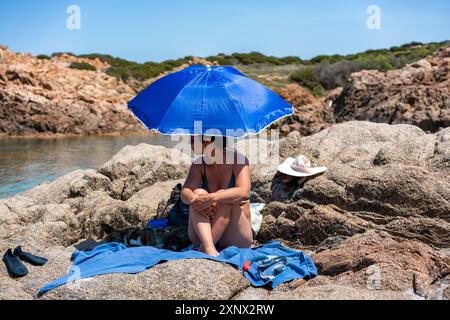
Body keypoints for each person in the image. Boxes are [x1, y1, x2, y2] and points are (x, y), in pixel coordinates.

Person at [181, 135, 253, 256]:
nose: (190, 143)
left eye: (193, 140)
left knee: (224, 196)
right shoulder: (199, 164)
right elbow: (184, 193)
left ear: (208, 140)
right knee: (198, 194)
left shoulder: (238, 160)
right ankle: (208, 246)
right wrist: (196, 200)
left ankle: (205, 248)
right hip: (203, 233)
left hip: (235, 235)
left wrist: (212, 198)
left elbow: (244, 192)